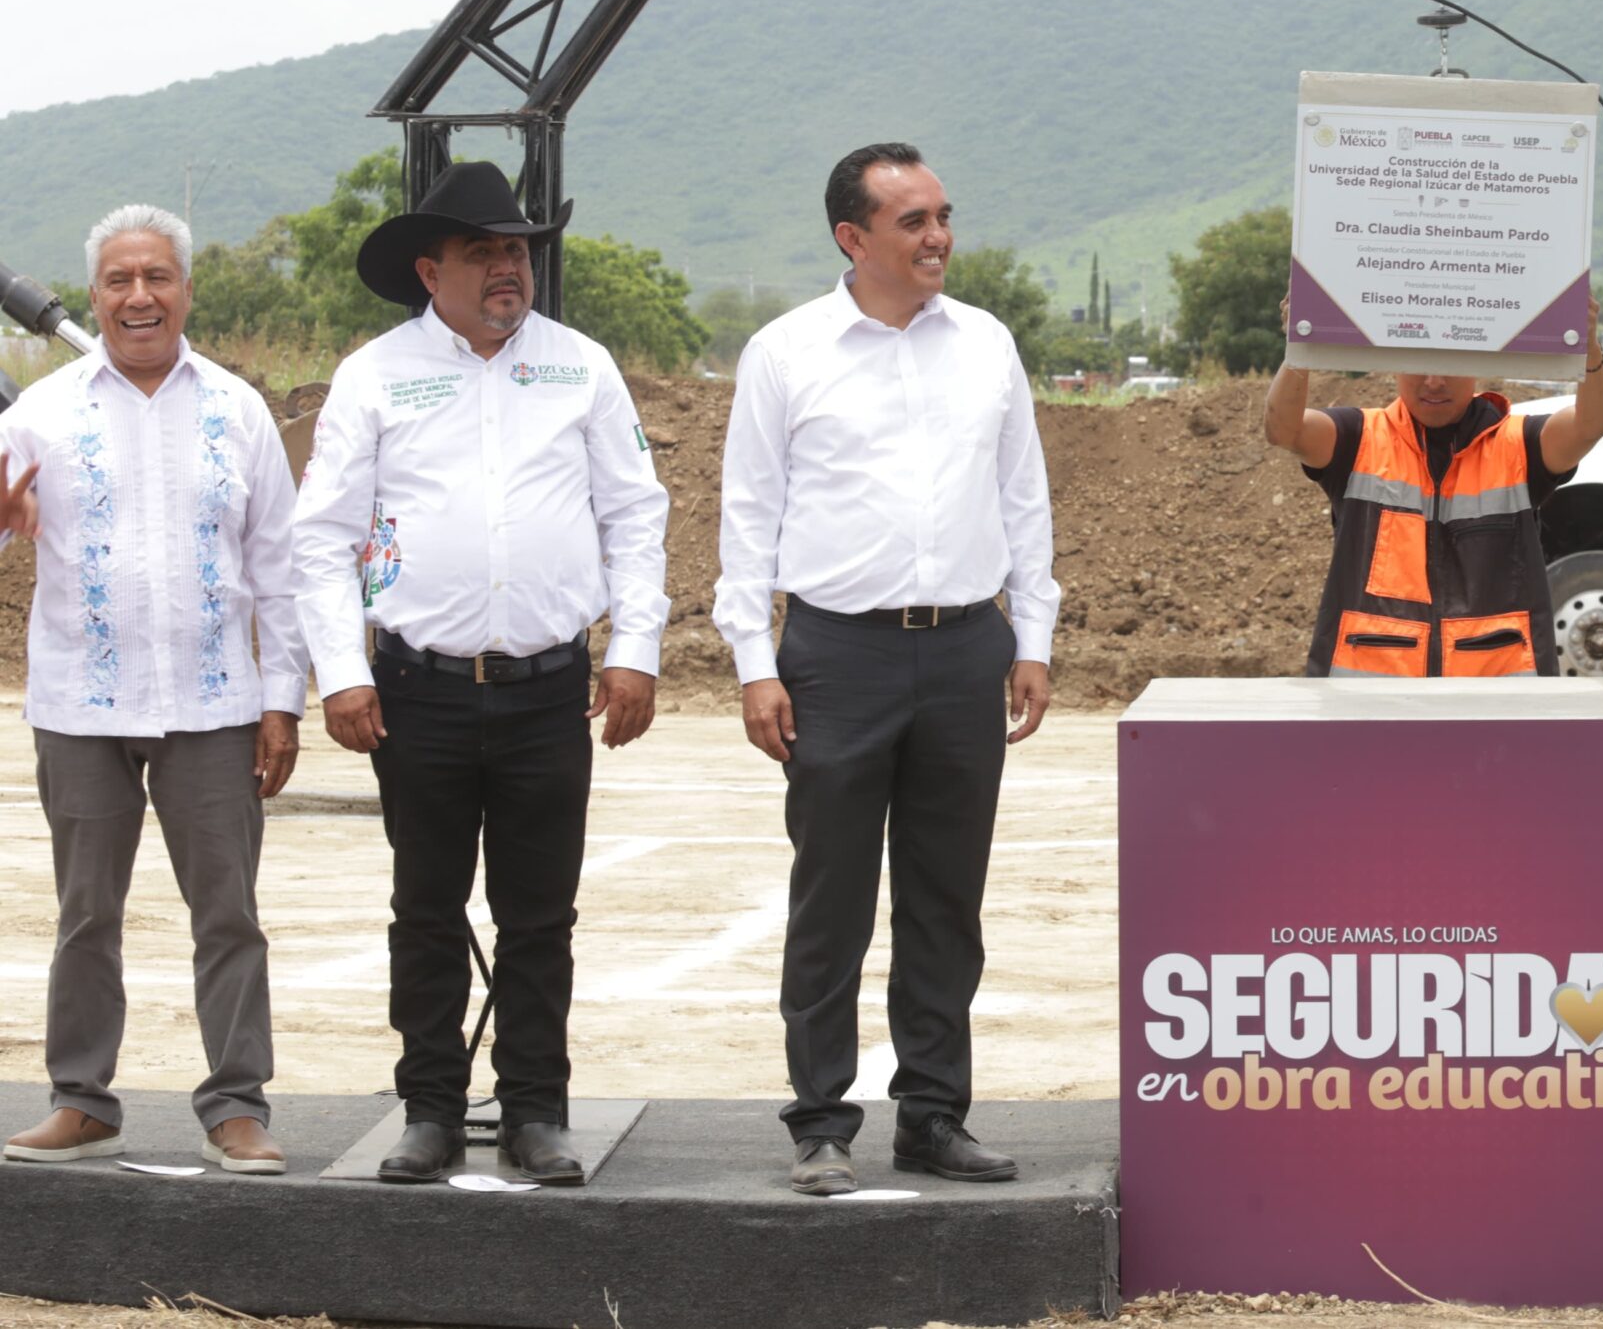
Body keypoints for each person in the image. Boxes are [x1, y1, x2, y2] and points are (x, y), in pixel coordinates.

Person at [292, 162, 668, 1187]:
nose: (510, 267)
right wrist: (339, 672)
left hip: (552, 687)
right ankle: (430, 1107)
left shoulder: (581, 366)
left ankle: (538, 1107)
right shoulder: (374, 375)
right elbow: (321, 536)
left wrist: (634, 647)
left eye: (518, 249)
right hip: (417, 689)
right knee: (425, 909)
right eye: (484, 252)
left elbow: (636, 513)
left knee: (540, 913)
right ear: (431, 268)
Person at [715, 141, 1058, 1197]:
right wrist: (751, 660)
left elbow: (1023, 497)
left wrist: (1032, 635)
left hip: (965, 647)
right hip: (836, 653)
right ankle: (821, 1122)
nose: (939, 236)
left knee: (945, 898)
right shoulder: (785, 351)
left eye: (943, 214)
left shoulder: (987, 344)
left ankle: (933, 1114)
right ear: (852, 237)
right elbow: (748, 512)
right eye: (913, 220)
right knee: (832, 897)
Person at [0, 206, 306, 1175]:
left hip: (213, 706)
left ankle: (236, 1105)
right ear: (93, 295)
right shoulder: (38, 413)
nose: (139, 295)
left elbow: (279, 564)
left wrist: (282, 696)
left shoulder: (236, 408)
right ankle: (82, 1098)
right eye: (120, 280)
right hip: (81, 708)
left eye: (157, 276)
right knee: (86, 911)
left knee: (228, 912)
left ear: (184, 289)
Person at [1264, 298, 1603, 677]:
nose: (1433, 382)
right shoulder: (1358, 439)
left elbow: (1590, 425)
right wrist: (1300, 347)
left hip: (1494, 697)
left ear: (1478, 364)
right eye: (1418, 364)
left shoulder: (1518, 444)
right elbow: (1283, 429)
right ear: (1394, 363)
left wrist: (1589, 346)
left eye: (1449, 364)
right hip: (1372, 699)